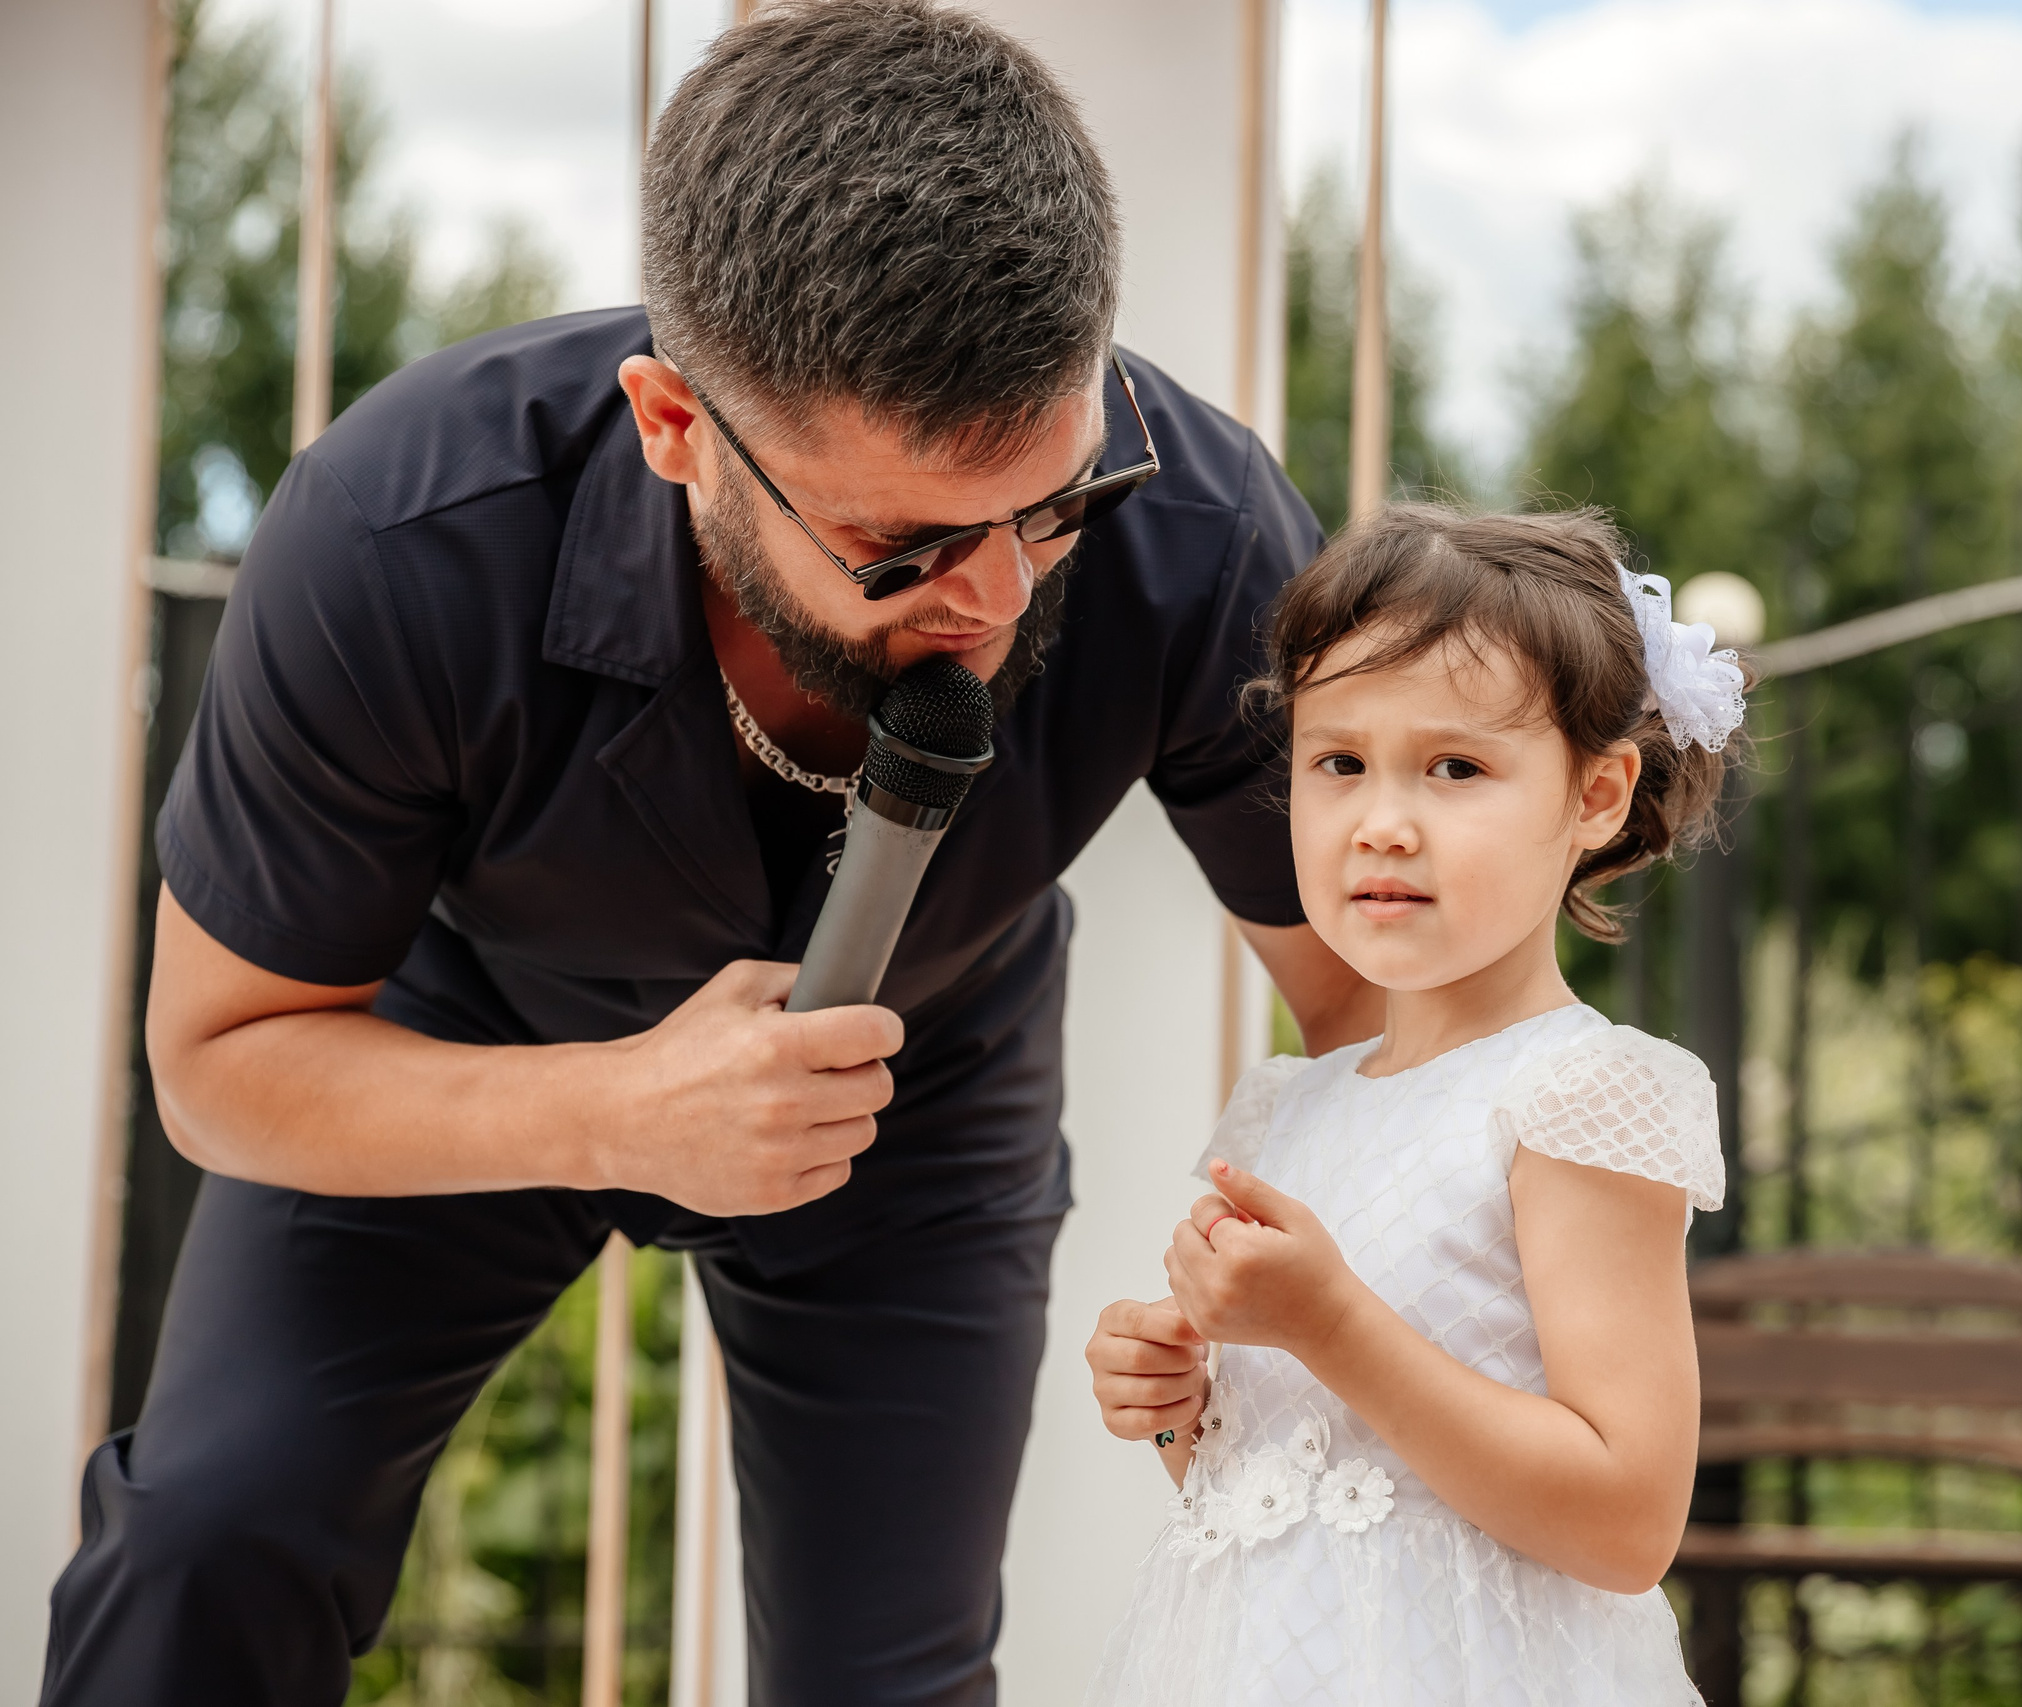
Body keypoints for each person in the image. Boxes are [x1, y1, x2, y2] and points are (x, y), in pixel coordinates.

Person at [42, 6, 1379, 1704]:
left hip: (924, 1076)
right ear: (676, 425)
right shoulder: (397, 538)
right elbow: (215, 1062)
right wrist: (611, 1106)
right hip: (447, 1040)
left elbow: (1374, 1006)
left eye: (1050, 506)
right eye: (904, 547)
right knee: (204, 1541)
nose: (998, 598)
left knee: (884, 1680)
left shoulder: (1191, 525)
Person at [1081, 504, 1750, 1703]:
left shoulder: (1575, 1097)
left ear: (1596, 797)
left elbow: (1626, 1519)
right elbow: (1298, 1494)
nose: (1382, 823)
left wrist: (1328, 1323)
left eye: (1454, 768)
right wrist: (1184, 1409)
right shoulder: (1286, 1108)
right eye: (1338, 762)